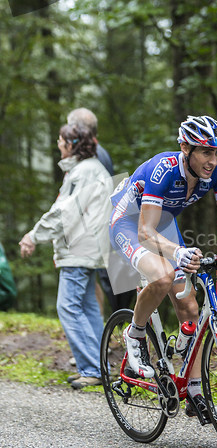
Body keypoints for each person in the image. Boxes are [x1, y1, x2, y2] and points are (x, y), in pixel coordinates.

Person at [109, 115, 217, 417]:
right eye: (205, 151)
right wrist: (178, 253)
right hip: (130, 224)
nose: (213, 160)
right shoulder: (164, 169)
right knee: (163, 276)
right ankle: (134, 334)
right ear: (185, 148)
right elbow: (145, 233)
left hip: (162, 225)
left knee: (191, 309)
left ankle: (196, 392)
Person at [19, 124, 113, 389]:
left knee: (68, 307)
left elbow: (64, 213)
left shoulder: (83, 173)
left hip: (80, 251)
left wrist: (33, 236)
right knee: (88, 308)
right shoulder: (89, 169)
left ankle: (93, 369)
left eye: (60, 140)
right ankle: (99, 367)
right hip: (87, 249)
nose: (58, 145)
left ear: (72, 144)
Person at [67, 108, 136, 313]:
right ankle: (108, 329)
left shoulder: (91, 156)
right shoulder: (100, 151)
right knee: (107, 281)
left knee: (108, 282)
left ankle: (109, 330)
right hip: (108, 223)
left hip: (101, 227)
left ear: (76, 129)